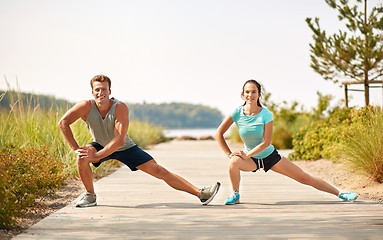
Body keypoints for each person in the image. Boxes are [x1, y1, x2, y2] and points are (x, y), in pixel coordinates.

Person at [59, 74, 220, 207]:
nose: (100, 93)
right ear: (92, 92)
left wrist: (97, 156)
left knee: (159, 171)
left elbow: (119, 140)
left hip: (125, 148)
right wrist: (75, 148)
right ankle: (90, 196)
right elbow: (63, 123)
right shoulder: (85, 106)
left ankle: (201, 193)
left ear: (109, 91)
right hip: (100, 144)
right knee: (82, 156)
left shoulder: (120, 107)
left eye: (104, 89)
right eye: (97, 90)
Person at [215, 79, 358, 205]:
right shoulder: (237, 113)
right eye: (247, 92)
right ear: (242, 94)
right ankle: (235, 194)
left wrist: (246, 155)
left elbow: (266, 142)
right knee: (233, 161)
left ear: (259, 95)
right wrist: (229, 154)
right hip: (250, 159)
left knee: (303, 177)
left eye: (253, 92)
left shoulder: (266, 114)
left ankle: (340, 193)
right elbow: (218, 134)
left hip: (269, 156)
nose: (250, 95)